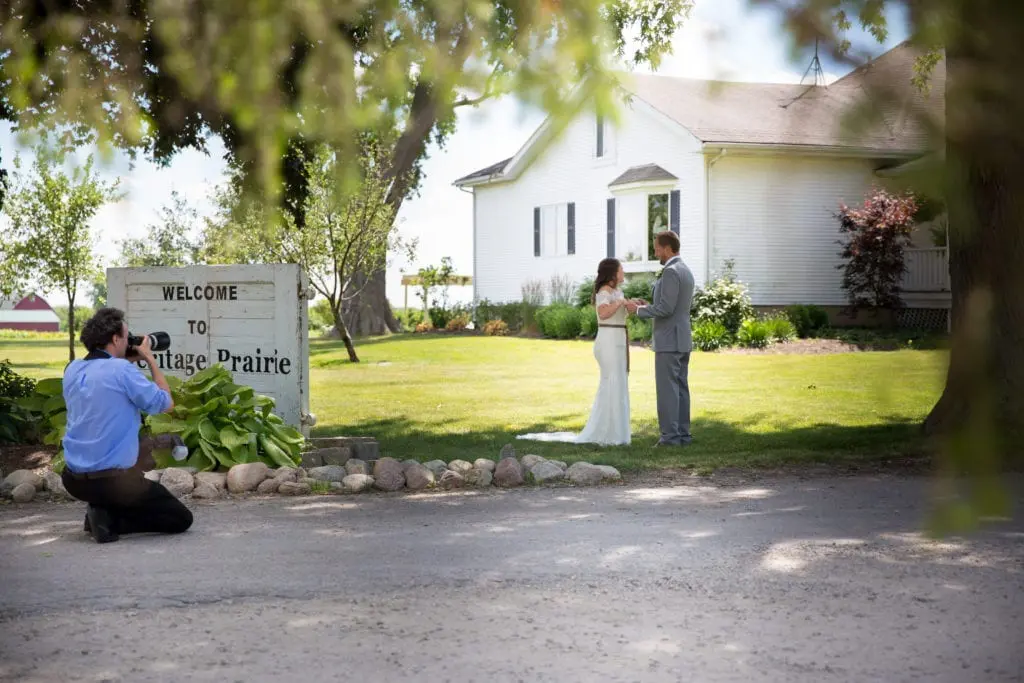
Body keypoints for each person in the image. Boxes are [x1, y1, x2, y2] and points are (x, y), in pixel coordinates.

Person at [61, 307, 193, 543]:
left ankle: (100, 510)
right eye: (126, 336)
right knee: (180, 518)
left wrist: (124, 360)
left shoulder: (72, 369)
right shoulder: (121, 370)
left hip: (73, 481)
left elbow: (104, 381)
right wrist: (149, 358)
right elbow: (166, 404)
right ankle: (108, 520)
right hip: (114, 483)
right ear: (115, 338)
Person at [518, 258, 642, 446]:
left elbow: (618, 312)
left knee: (620, 383)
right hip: (607, 342)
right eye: (621, 269)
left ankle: (618, 432)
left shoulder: (618, 292)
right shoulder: (604, 292)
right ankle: (607, 432)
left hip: (618, 340)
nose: (624, 272)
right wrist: (621, 303)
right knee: (611, 382)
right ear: (612, 274)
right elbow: (603, 313)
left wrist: (631, 305)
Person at [627, 231, 696, 447]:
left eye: (657, 248)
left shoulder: (671, 272)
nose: (655, 252)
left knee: (667, 390)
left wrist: (638, 311)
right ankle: (683, 435)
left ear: (667, 248)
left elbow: (666, 309)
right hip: (682, 338)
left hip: (669, 341)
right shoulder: (686, 270)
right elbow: (671, 305)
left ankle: (669, 438)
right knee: (681, 389)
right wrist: (646, 304)